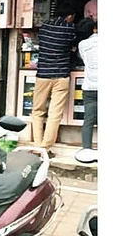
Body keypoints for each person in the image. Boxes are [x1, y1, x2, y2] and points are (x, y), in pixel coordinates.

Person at [31, 9, 77, 152]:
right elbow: (73, 46)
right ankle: (45, 148)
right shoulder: (70, 29)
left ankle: (37, 146)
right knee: (55, 114)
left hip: (43, 75)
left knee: (37, 111)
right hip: (61, 76)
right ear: (69, 16)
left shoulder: (44, 27)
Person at [75, 18, 97, 164]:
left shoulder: (82, 44)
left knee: (88, 121)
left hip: (89, 86)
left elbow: (82, 59)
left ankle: (86, 150)